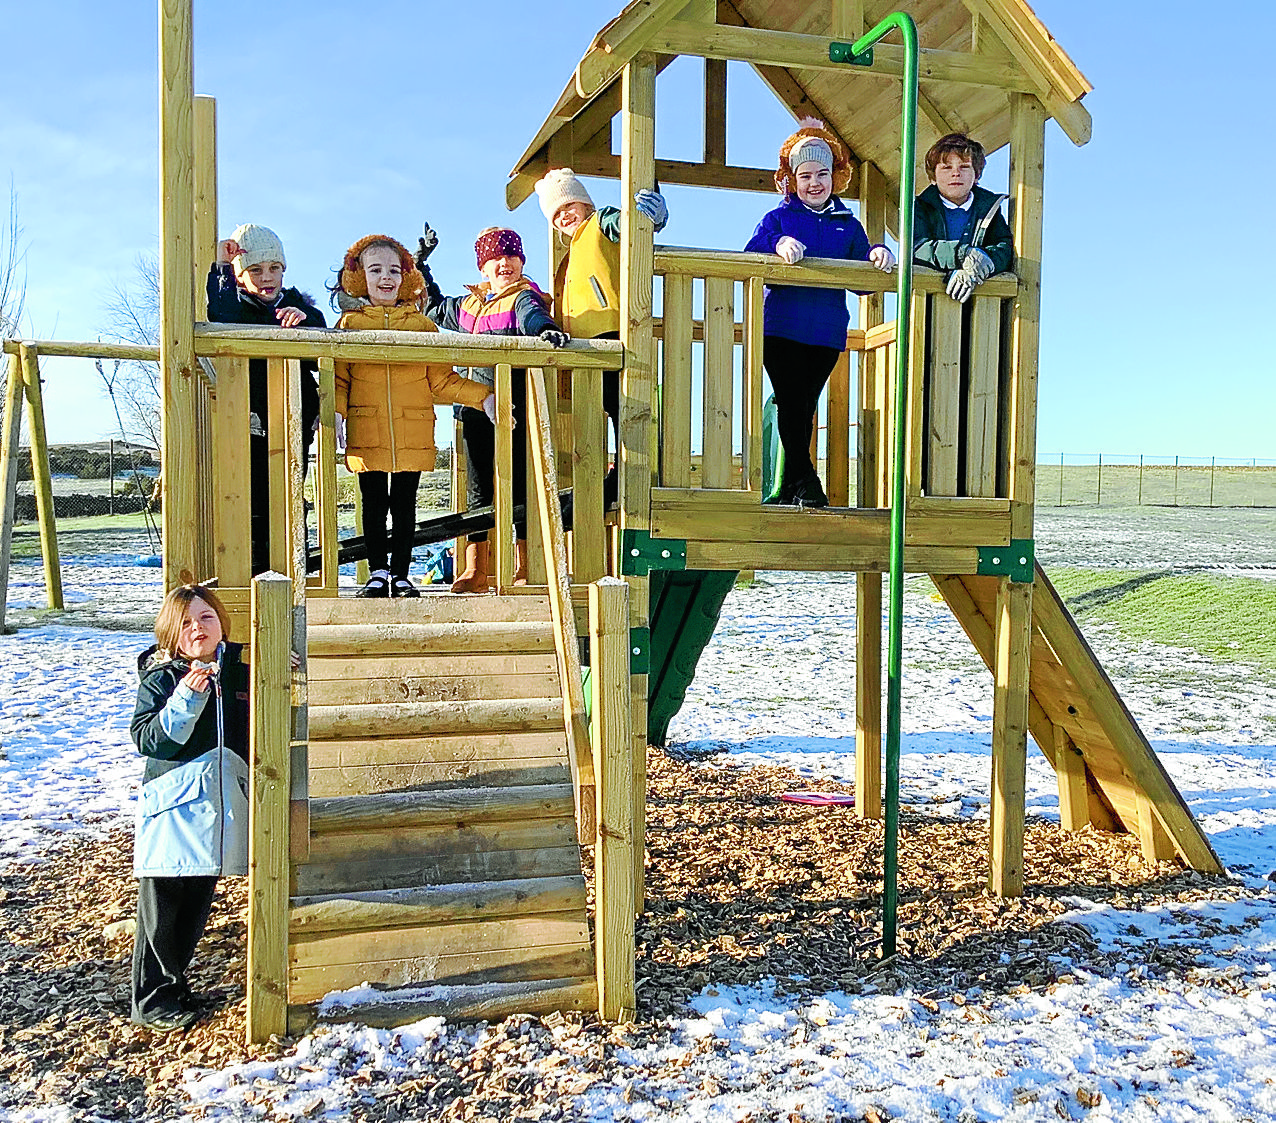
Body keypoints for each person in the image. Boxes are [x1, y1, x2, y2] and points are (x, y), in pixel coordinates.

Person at [744, 119, 896, 508]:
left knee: (802, 404)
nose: (815, 182)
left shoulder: (848, 224)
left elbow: (863, 281)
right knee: (794, 403)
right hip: (780, 329)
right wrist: (777, 243)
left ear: (836, 176)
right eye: (806, 174)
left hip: (827, 334)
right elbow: (751, 254)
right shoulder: (778, 218)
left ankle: (795, 482)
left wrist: (876, 255)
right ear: (791, 180)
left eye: (823, 173)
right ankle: (806, 482)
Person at [332, 234, 494, 598]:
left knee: (405, 506)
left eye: (394, 270)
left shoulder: (422, 327)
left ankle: (402, 575)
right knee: (373, 506)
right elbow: (340, 378)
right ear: (360, 277)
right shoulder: (349, 325)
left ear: (406, 276)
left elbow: (441, 380)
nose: (386, 277)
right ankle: (377, 573)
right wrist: (337, 414)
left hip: (412, 428)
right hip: (366, 427)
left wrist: (482, 397)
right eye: (376, 270)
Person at [416, 226, 567, 591]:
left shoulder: (521, 298)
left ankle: (525, 565)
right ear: (483, 267)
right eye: (495, 258)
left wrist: (545, 330)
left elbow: (534, 317)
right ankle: (475, 568)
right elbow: (434, 306)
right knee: (479, 489)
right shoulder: (468, 305)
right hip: (474, 407)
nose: (504, 263)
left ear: (521, 262)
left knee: (519, 485)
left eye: (511, 256)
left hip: (513, 405)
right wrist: (422, 263)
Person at [130, 585, 247, 1031]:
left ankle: (176, 986)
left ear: (221, 623)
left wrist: (277, 673)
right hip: (172, 812)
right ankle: (152, 998)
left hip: (216, 813)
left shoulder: (236, 673)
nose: (197, 627)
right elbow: (149, 739)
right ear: (171, 634)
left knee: (196, 904)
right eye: (186, 622)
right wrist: (186, 699)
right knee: (161, 910)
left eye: (206, 618)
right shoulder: (162, 679)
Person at [532, 168, 668, 509]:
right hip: (583, 342)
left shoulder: (599, 222)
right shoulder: (570, 253)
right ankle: (610, 471)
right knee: (604, 407)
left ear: (584, 202)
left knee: (621, 404)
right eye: (556, 214)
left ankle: (628, 472)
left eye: (569, 206)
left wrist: (650, 214)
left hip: (611, 329)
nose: (564, 216)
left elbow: (629, 225)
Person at [206, 224, 327, 575]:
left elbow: (320, 343)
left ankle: (293, 563)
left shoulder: (298, 308)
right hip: (250, 415)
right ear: (242, 276)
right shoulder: (239, 309)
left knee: (290, 486)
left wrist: (304, 326)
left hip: (293, 415)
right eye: (255, 270)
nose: (266, 278)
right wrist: (223, 267)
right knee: (253, 489)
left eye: (274, 268)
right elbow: (221, 312)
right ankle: (256, 567)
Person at [913, 132, 1014, 303]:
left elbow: (1004, 247)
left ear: (976, 175)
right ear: (933, 178)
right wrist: (963, 255)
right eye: (946, 167)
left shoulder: (989, 208)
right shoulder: (919, 208)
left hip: (981, 308)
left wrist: (983, 260)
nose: (956, 173)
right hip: (928, 308)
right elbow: (919, 248)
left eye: (964, 167)